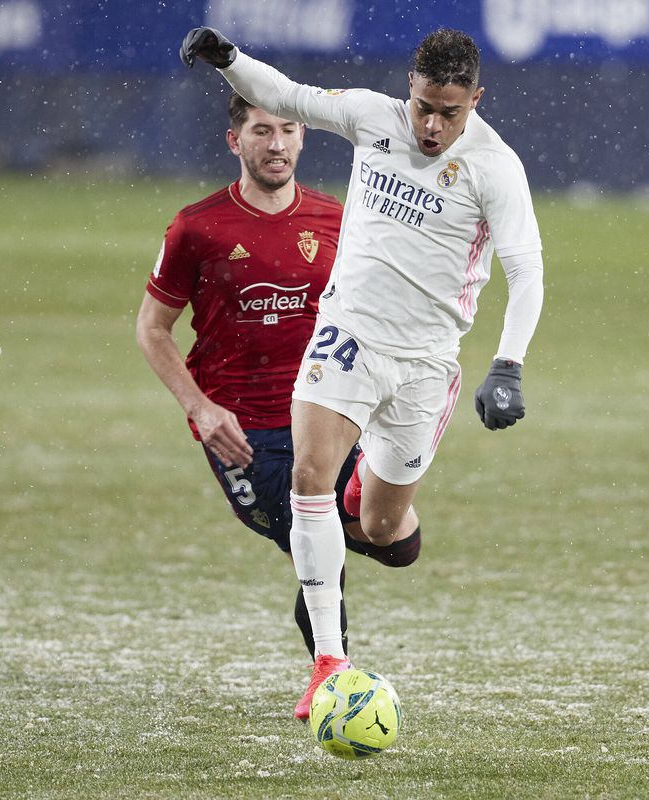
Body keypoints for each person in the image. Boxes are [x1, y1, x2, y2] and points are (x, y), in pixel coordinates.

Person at [180, 26, 545, 718]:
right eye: (424, 107)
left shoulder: (497, 169)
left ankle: (362, 511)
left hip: (424, 364)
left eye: (451, 112)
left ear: (476, 100)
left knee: (381, 527)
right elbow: (284, 93)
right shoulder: (372, 116)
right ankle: (328, 665)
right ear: (409, 88)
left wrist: (509, 366)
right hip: (348, 335)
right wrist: (230, 62)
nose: (433, 126)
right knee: (309, 478)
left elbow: (527, 272)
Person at [135, 93, 423, 714]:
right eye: (261, 131)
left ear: (304, 137)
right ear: (234, 141)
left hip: (329, 413)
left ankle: (347, 522)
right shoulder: (197, 228)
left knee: (399, 546)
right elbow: (152, 328)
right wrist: (200, 409)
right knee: (312, 541)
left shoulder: (336, 219)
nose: (277, 144)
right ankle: (333, 675)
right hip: (247, 434)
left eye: (289, 129)